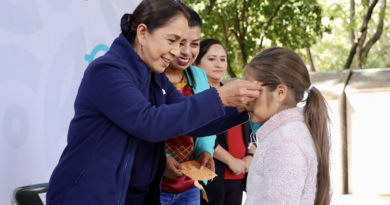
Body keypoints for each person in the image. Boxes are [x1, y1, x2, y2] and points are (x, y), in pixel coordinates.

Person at [45, 0, 262, 205]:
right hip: (89, 196)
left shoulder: (156, 78)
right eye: (172, 40)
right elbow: (148, 122)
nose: (177, 52)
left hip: (136, 196)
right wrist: (220, 97)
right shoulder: (107, 71)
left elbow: (195, 124)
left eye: (181, 42)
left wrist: (242, 107)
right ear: (142, 33)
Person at [244, 47, 331, 205]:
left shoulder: (283, 143)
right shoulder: (287, 134)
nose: (245, 100)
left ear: (280, 93)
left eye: (251, 91)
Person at [160, 7, 216, 205]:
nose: (186, 51)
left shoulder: (199, 75)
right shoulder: (151, 74)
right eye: (180, 42)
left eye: (195, 44)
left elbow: (207, 122)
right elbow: (142, 125)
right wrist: (161, 160)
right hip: (155, 184)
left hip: (190, 186)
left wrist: (205, 152)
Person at [194, 39, 257, 205]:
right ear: (197, 62)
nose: (218, 64)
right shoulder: (196, 97)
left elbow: (253, 131)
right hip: (213, 172)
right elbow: (200, 133)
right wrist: (231, 161)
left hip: (240, 173)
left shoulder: (237, 93)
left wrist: (249, 157)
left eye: (223, 59)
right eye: (212, 58)